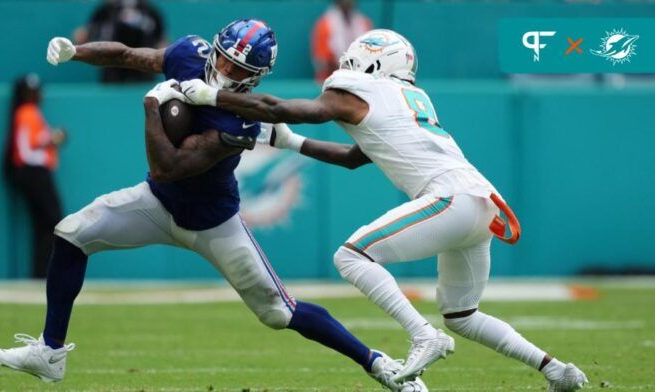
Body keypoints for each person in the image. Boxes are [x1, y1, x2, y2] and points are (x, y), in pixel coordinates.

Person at [0, 20, 426, 392]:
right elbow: (128, 54)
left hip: (214, 224)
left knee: (279, 313)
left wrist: (153, 106)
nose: (224, 69)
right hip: (156, 206)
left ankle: (377, 363)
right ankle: (50, 352)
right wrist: (76, 51)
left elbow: (168, 167)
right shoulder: (190, 55)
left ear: (254, 77)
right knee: (71, 235)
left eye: (237, 67)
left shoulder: (240, 119)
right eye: (222, 57)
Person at [178, 29, 589, 392]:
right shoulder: (411, 96)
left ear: (368, 58)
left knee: (351, 255)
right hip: (481, 205)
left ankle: (422, 334)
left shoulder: (358, 86)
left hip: (450, 198)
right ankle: (555, 370)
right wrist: (287, 142)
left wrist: (213, 95)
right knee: (462, 314)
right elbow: (354, 158)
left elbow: (280, 109)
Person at [3, 74, 67, 278]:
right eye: (32, 91)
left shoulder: (31, 112)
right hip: (33, 172)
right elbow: (24, 151)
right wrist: (51, 140)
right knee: (52, 220)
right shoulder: (26, 112)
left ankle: (42, 273)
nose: (37, 94)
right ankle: (45, 273)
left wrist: (50, 139)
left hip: (34, 172)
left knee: (44, 224)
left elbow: (34, 141)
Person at [73, 0, 166, 83]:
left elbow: (162, 40)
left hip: (143, 69)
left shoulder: (150, 11)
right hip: (112, 68)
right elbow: (84, 35)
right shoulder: (106, 10)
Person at [311, 0, 371, 82]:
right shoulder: (324, 25)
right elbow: (322, 63)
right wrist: (346, 68)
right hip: (331, 80)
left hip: (360, 79)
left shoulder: (363, 23)